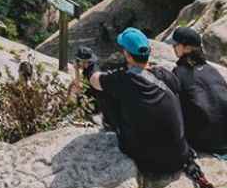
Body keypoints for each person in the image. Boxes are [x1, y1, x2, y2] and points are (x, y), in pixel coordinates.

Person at [87, 28, 189, 175]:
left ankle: (110, 125)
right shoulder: (164, 74)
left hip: (149, 162)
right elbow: (177, 88)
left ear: (127, 55)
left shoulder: (122, 80)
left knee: (105, 92)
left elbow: (94, 81)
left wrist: (93, 65)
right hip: (180, 155)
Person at [170, 26, 227, 154]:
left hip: (206, 142)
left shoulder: (179, 73)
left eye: (176, 44)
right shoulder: (211, 69)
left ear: (187, 48)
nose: (173, 47)